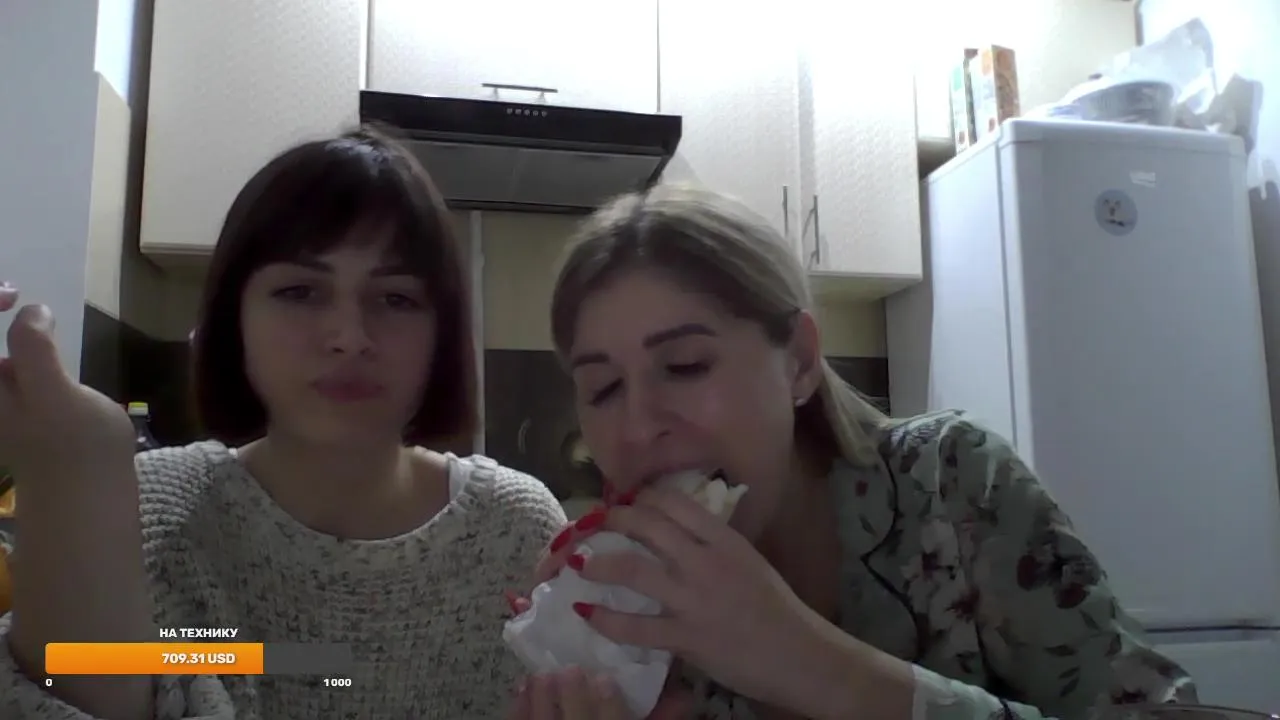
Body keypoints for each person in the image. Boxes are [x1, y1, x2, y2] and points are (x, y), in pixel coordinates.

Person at [509, 184, 1197, 719]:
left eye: (685, 366)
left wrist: (811, 663)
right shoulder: (628, 621)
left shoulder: (954, 486)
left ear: (799, 362)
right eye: (602, 388)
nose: (637, 427)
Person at [0, 129, 566, 719]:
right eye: (300, 291)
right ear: (233, 319)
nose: (349, 337)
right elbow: (72, 684)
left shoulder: (517, 530)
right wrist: (72, 479)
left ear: (441, 335)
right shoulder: (147, 508)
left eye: (396, 299)